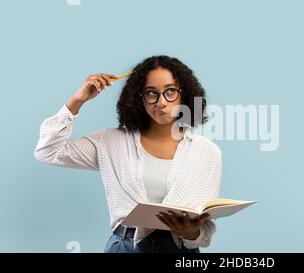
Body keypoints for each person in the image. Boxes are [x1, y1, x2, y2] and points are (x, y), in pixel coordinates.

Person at [34, 55, 222, 253]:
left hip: (180, 249)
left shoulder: (206, 152)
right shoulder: (111, 142)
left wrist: (191, 233)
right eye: (151, 93)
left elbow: (204, 226)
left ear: (185, 94)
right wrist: (77, 101)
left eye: (170, 91)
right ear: (139, 98)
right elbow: (47, 151)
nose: (161, 102)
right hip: (125, 246)